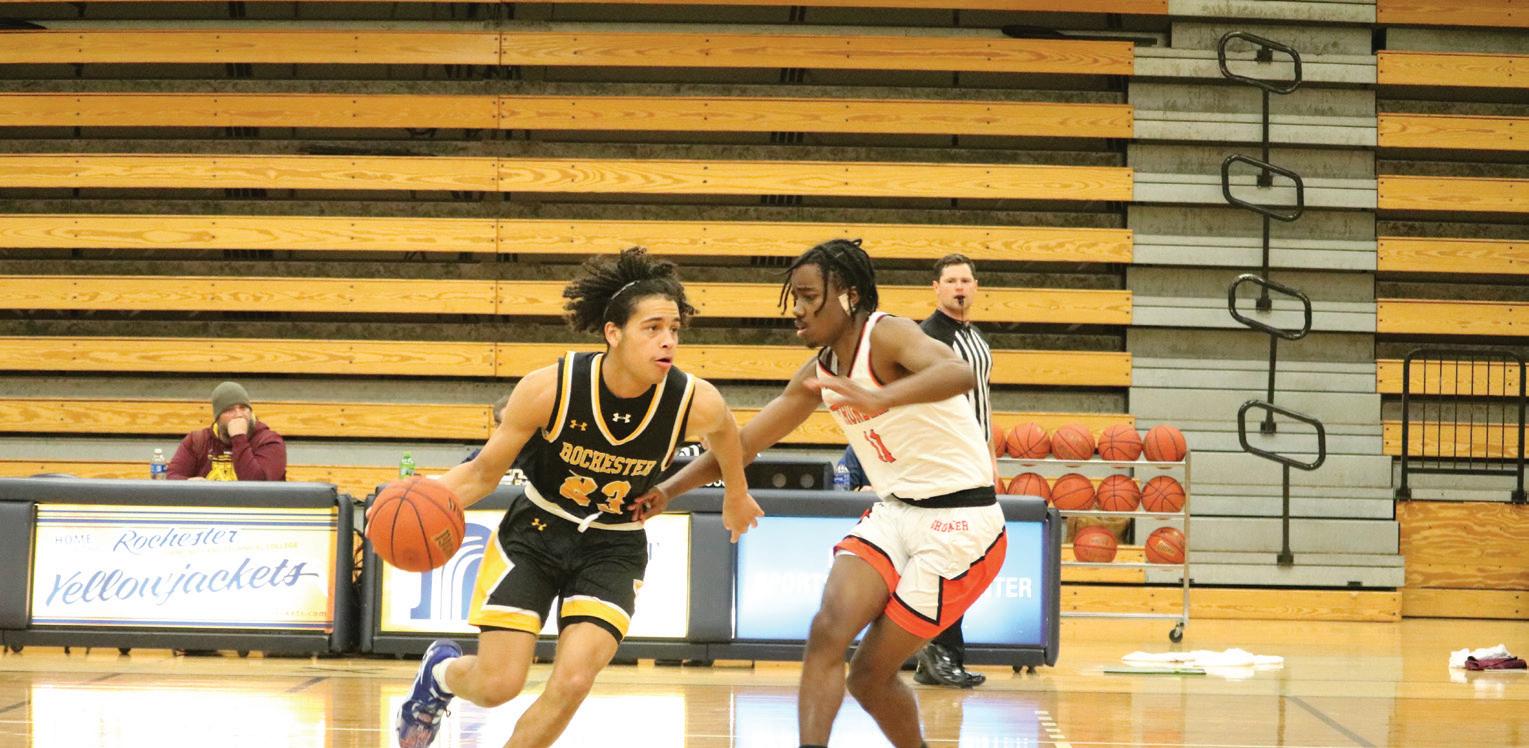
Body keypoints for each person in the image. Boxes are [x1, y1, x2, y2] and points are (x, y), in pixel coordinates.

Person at [635, 238, 1007, 748]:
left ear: (849, 296)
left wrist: (880, 396)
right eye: (796, 298)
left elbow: (959, 371)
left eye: (810, 296)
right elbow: (744, 443)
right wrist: (668, 489)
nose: (798, 309)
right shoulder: (820, 373)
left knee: (869, 677)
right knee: (827, 631)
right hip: (897, 512)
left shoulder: (888, 334)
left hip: (962, 522)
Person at [396, 247, 764, 748]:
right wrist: (423, 494)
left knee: (572, 682)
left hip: (614, 546)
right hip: (535, 533)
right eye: (652, 328)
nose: (668, 341)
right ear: (613, 333)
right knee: (497, 685)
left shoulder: (693, 399)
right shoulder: (551, 387)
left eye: (674, 329)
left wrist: (735, 495)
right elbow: (482, 473)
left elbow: (727, 438)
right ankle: (439, 675)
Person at [914, 253, 997, 689]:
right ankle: (940, 653)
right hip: (945, 463)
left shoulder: (976, 338)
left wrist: (991, 459)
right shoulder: (927, 337)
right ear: (936, 288)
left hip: (974, 461)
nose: (959, 287)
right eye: (951, 281)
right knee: (950, 556)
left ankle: (936, 655)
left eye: (965, 280)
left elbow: (983, 405)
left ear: (976, 286)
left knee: (961, 556)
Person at [166, 381, 286, 481]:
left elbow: (258, 488)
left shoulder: (268, 441)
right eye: (230, 410)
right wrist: (188, 483)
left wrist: (239, 438)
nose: (238, 415)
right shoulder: (197, 441)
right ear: (217, 418)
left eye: (243, 408)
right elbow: (172, 477)